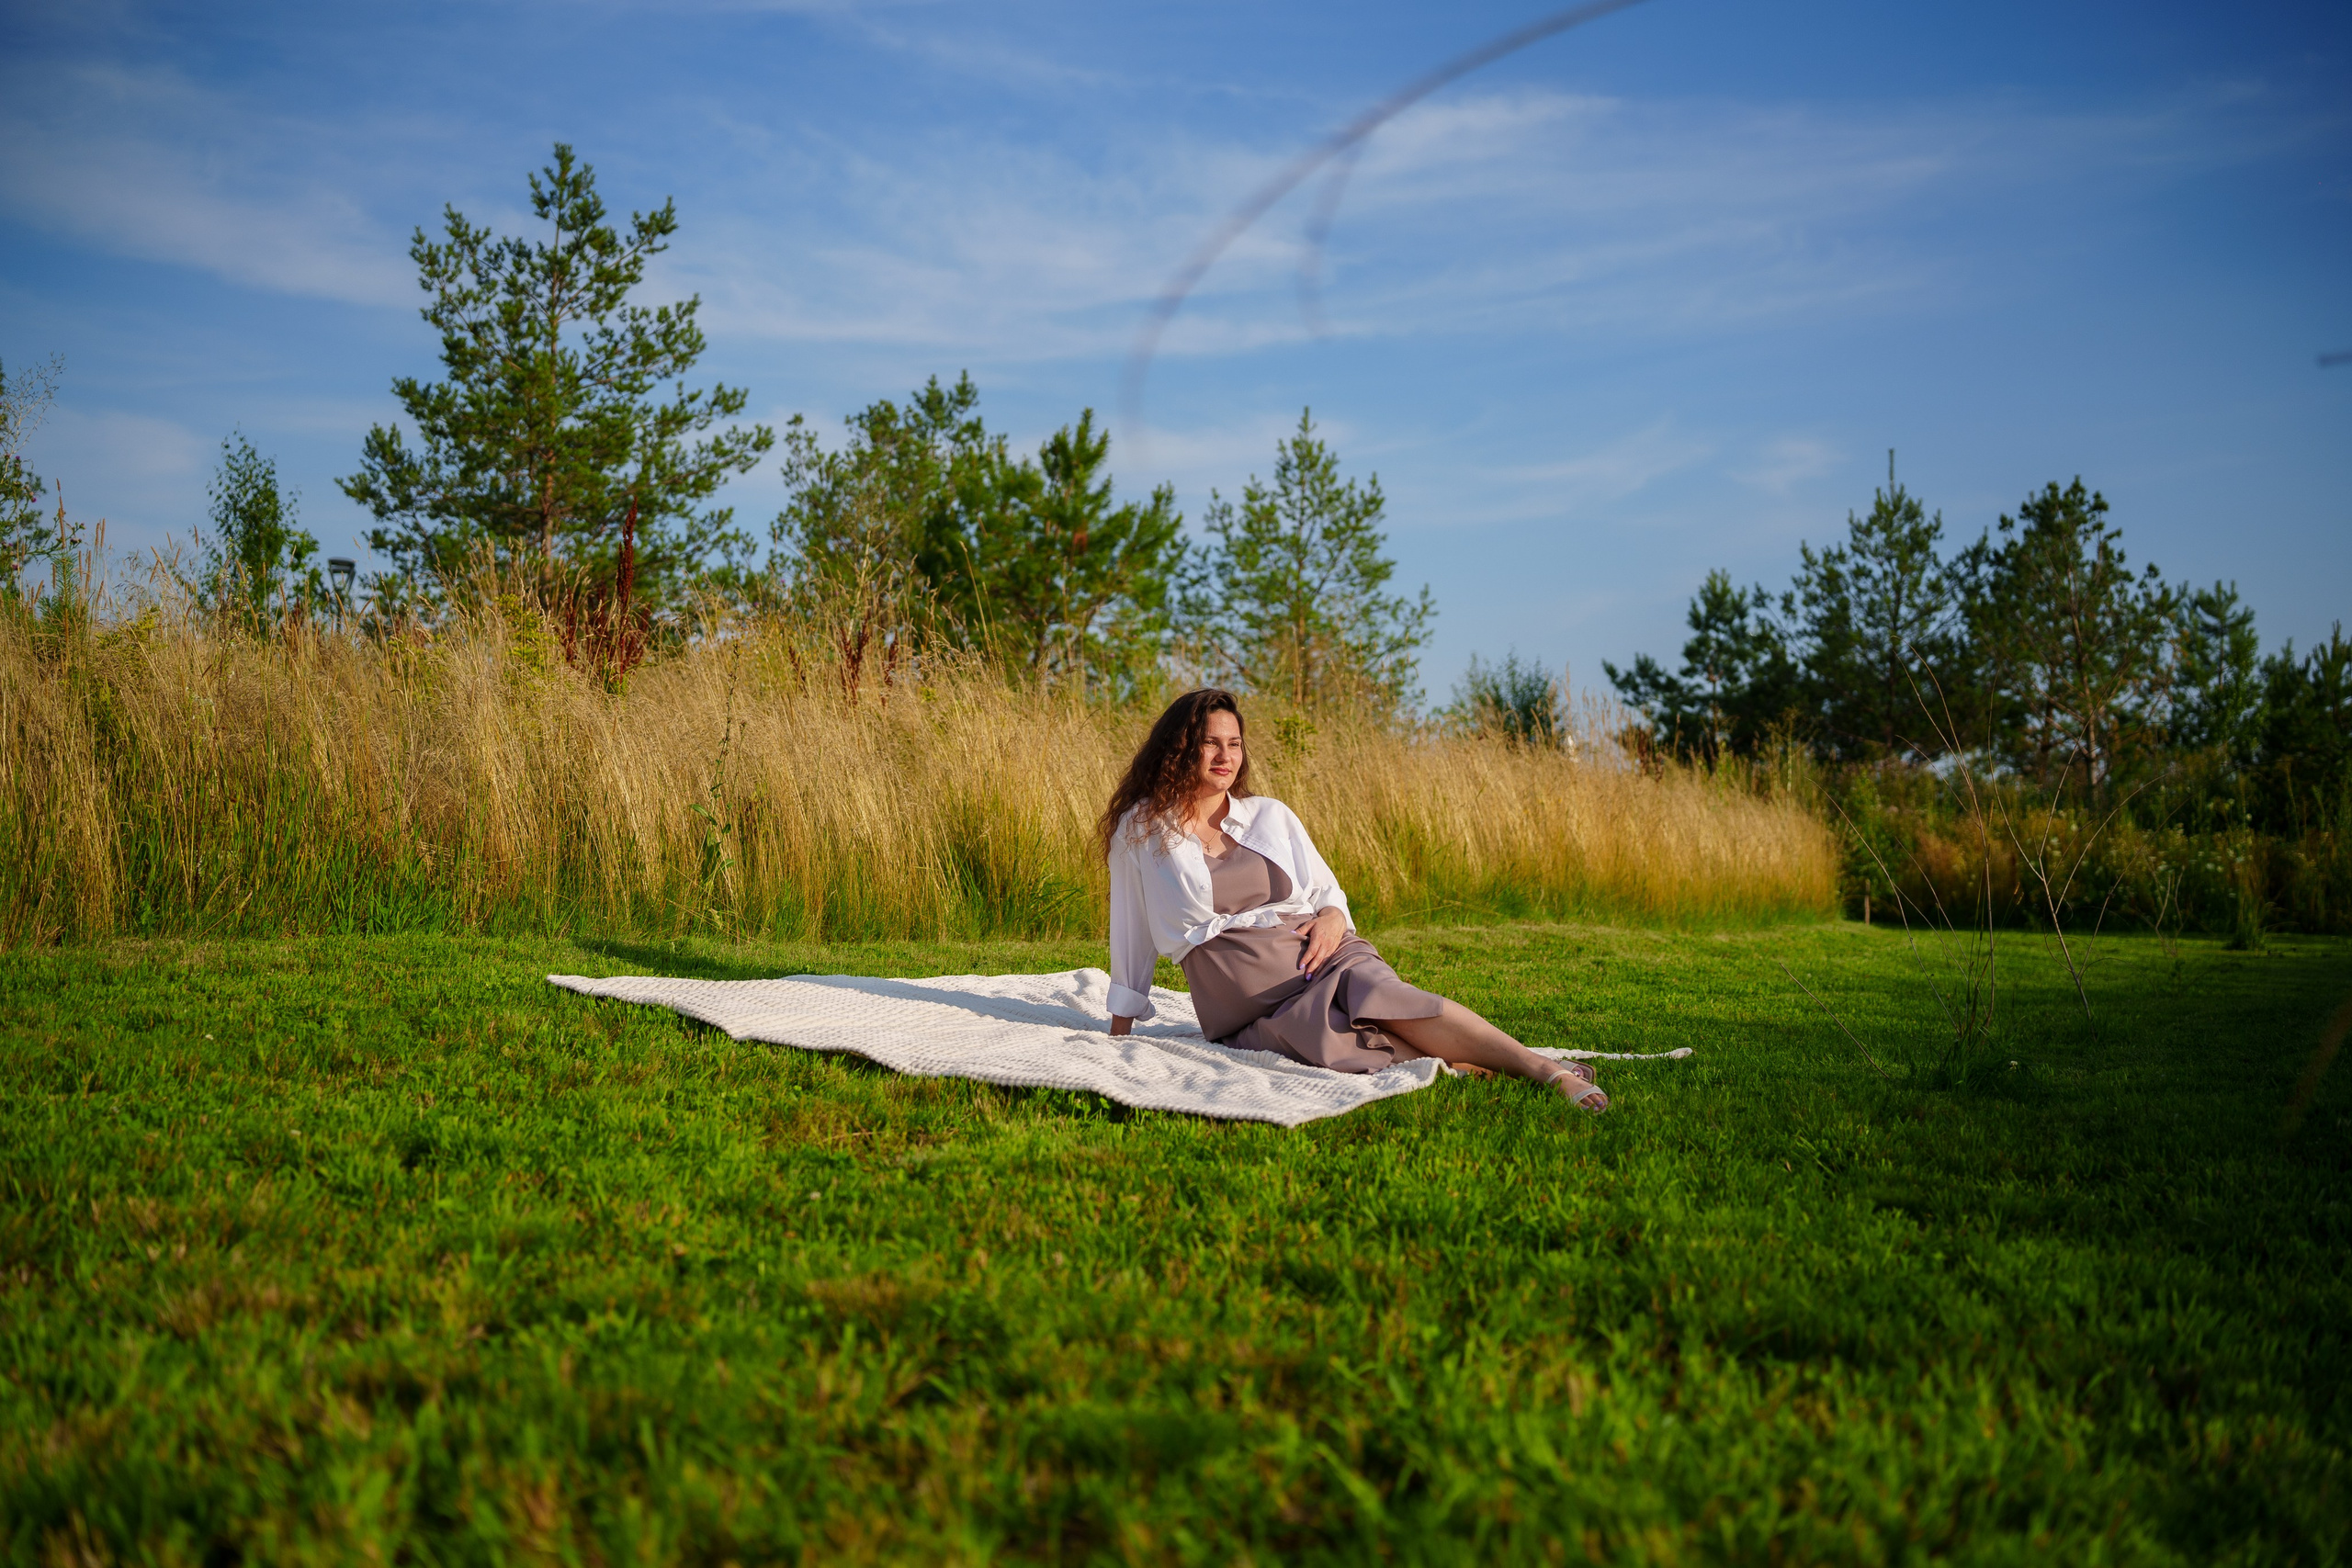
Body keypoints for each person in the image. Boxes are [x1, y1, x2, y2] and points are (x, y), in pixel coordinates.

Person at [1100, 687, 1607, 1111]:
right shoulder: (1142, 828)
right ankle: (1477, 1064)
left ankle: (1544, 1072)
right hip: (1238, 986)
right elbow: (1130, 925)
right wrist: (1121, 1024)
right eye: (1210, 743)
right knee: (1338, 1040)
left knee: (1382, 995)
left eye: (1234, 744)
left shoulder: (1269, 815)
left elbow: (1325, 888)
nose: (1225, 757)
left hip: (1314, 947)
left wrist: (1332, 920)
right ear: (1178, 747)